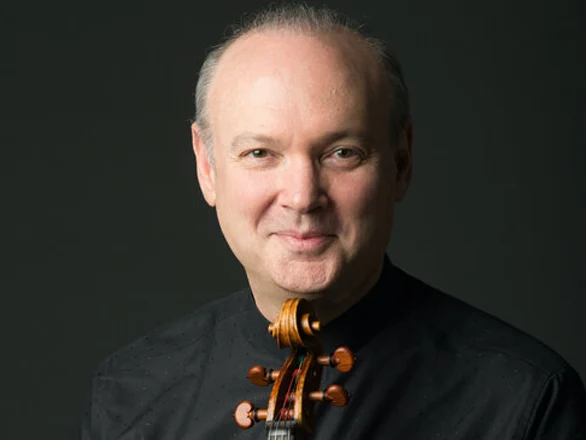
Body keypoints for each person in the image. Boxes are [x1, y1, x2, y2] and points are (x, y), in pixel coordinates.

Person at [81, 3, 586, 439]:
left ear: (401, 163)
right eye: (260, 153)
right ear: (207, 167)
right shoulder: (130, 393)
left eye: (343, 153)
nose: (303, 197)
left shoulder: (525, 401)